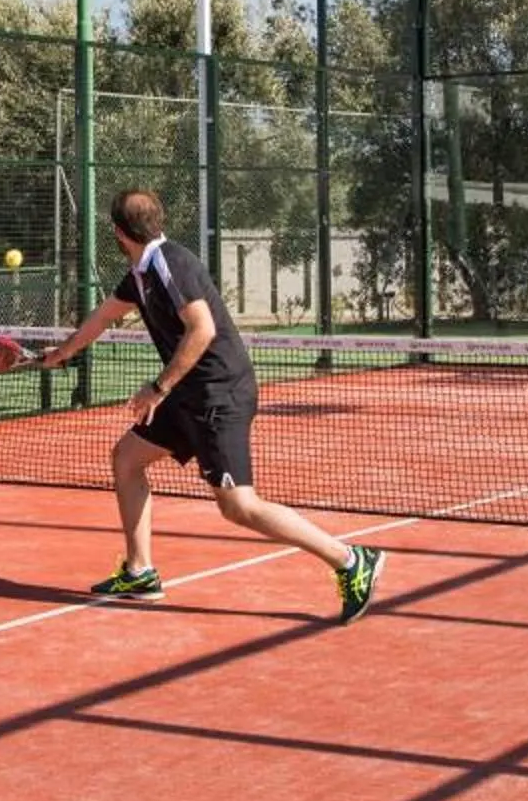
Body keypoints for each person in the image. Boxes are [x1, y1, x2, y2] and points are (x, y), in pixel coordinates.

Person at [30, 187, 382, 622]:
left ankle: (350, 560)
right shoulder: (139, 275)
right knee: (126, 458)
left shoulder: (171, 263)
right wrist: (59, 354)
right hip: (188, 394)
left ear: (118, 233)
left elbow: (202, 330)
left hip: (219, 393)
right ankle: (139, 571)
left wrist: (157, 389)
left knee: (239, 506)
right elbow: (101, 319)